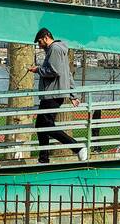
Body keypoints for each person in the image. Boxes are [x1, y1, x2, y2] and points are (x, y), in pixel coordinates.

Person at [28, 28, 89, 164]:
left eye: (39, 42)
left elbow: (54, 71)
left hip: (52, 94)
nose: (39, 45)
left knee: (47, 125)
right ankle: (43, 158)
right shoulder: (59, 50)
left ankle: (77, 147)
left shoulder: (54, 49)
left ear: (45, 37)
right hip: (53, 94)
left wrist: (38, 70)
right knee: (41, 125)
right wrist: (73, 94)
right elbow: (67, 73)